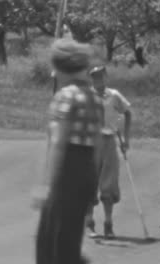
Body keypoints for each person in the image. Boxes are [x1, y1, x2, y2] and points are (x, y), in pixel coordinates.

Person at [31, 38, 104, 264]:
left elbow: (58, 143)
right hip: (86, 171)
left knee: (48, 245)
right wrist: (94, 183)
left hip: (65, 172)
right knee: (69, 242)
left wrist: (46, 184)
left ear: (60, 67)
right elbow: (99, 144)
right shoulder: (94, 97)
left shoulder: (65, 96)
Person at [85, 66, 132, 238]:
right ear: (91, 79)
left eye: (101, 77)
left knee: (109, 184)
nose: (98, 81)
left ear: (106, 78)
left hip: (109, 141)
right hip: (90, 142)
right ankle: (89, 222)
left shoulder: (114, 95)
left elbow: (128, 113)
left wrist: (126, 139)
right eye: (95, 78)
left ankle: (108, 223)